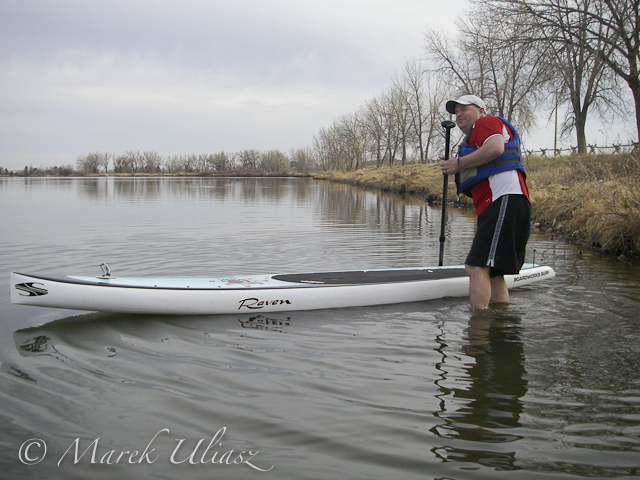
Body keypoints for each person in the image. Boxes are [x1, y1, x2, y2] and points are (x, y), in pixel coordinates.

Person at [439, 95, 530, 310]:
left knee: (476, 266)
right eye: (456, 111)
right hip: (506, 204)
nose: (458, 114)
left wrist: (458, 164)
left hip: (504, 200)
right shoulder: (473, 140)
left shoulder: (485, 122)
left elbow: (496, 148)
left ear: (480, 110)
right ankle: (498, 326)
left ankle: (477, 333)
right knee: (494, 273)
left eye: (464, 109)